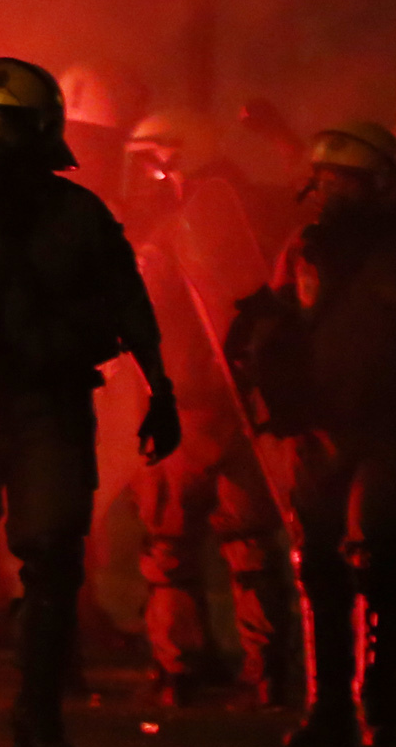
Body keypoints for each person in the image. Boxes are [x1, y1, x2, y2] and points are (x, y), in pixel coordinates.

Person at [0, 58, 174, 747]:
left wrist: (160, 389)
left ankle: (37, 717)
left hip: (46, 402)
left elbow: (129, 305)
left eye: (4, 120)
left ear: (38, 130)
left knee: (52, 560)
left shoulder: (77, 214)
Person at [227, 123, 396, 747]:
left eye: (345, 181)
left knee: (377, 560)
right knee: (319, 567)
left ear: (382, 184)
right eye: (324, 180)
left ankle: (378, 704)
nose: (330, 193)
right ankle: (326, 707)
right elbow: (278, 320)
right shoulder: (303, 250)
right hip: (316, 431)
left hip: (395, 429)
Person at [119, 107, 295, 706]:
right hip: (235, 409)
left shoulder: (172, 232)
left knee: (172, 548)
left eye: (155, 161)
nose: (148, 174)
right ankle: (265, 667)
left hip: (187, 406)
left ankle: (181, 667)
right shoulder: (252, 217)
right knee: (243, 545)